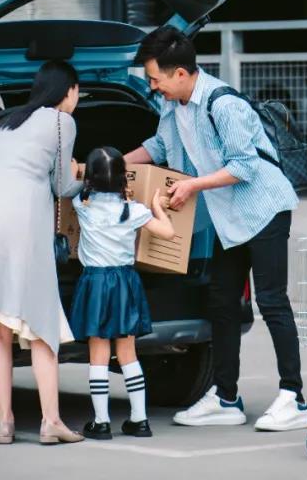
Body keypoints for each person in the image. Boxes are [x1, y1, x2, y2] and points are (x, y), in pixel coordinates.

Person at [123, 27, 307, 431]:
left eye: (155, 79)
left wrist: (192, 185)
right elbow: (159, 146)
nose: (153, 87)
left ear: (180, 73)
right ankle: (226, 398)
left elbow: (244, 167)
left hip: (264, 210)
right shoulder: (173, 105)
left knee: (272, 302)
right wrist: (114, 164)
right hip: (229, 219)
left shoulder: (223, 104)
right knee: (221, 303)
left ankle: (294, 397)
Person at [0, 60, 85, 445]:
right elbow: (62, 186)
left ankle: (5, 423)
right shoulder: (63, 121)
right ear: (68, 90)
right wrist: (84, 177)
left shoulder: (9, 122)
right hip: (19, 217)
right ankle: (50, 421)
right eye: (77, 91)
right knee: (41, 320)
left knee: (0, 326)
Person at [68, 146, 176, 440]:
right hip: (125, 283)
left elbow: (71, 180)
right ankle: (139, 420)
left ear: (90, 179)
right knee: (128, 353)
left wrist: (76, 169)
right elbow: (168, 233)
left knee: (99, 354)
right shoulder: (134, 211)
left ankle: (101, 422)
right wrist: (156, 206)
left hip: (95, 283)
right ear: (123, 178)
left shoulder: (82, 205)